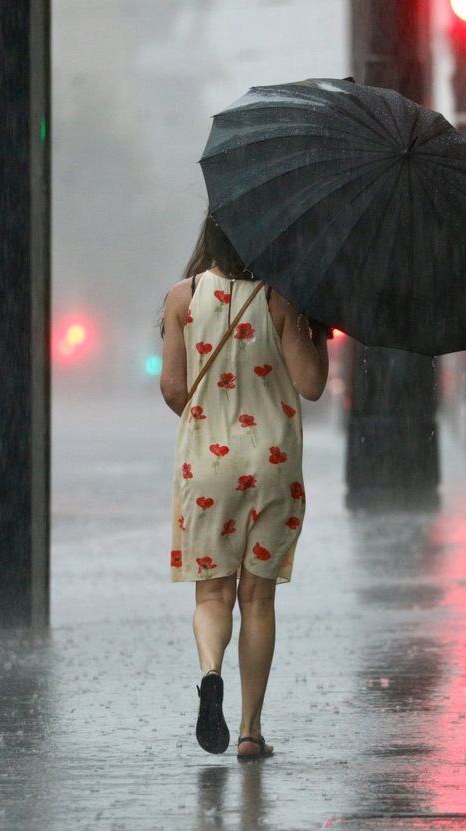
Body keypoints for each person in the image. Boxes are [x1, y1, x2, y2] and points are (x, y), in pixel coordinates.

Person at [159, 211, 329, 760]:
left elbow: (173, 390)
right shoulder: (283, 300)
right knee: (257, 598)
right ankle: (252, 732)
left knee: (212, 593)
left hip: (207, 467)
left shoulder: (182, 299)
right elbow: (311, 385)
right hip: (271, 463)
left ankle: (211, 674)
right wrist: (318, 331)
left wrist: (211, 418)